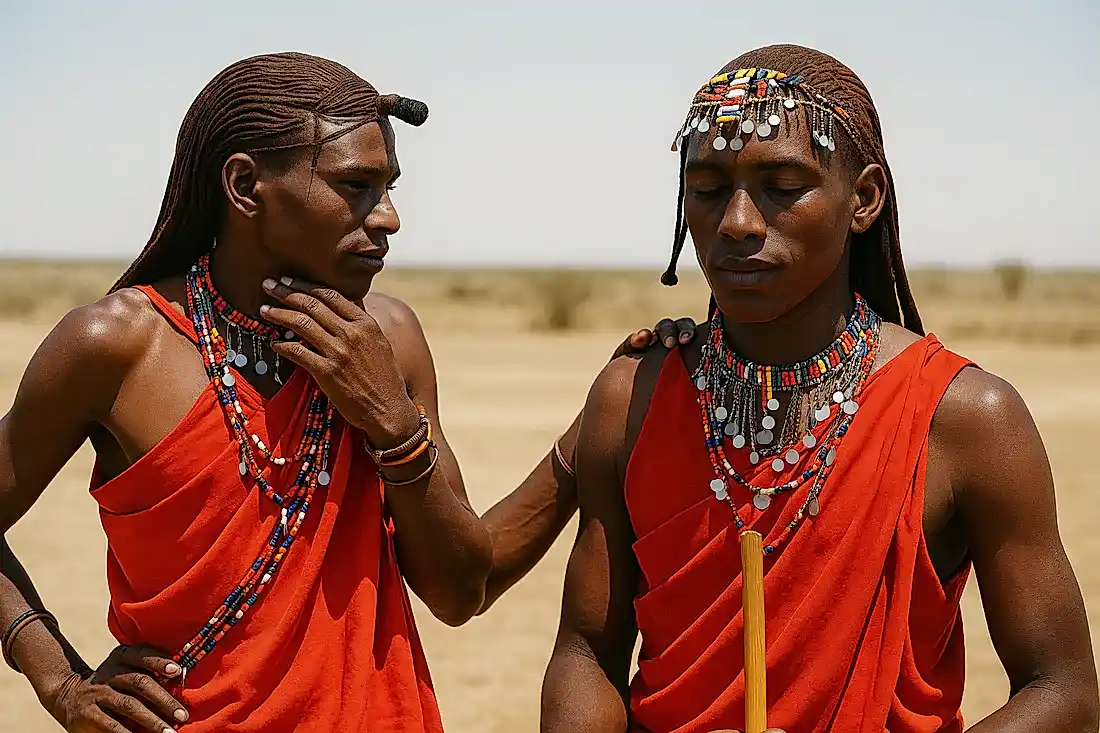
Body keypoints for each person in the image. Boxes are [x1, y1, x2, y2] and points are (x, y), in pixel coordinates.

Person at [0, 52, 699, 733]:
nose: (389, 216)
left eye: (391, 186)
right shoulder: (117, 344)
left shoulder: (387, 338)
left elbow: (460, 588)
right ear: (245, 187)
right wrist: (59, 680)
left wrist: (396, 425)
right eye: (357, 186)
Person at [541, 43, 1098, 733]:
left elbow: (1064, 690)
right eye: (708, 188)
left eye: (781, 186)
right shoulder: (633, 398)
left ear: (862, 199)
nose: (738, 222)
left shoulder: (963, 418)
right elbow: (587, 652)